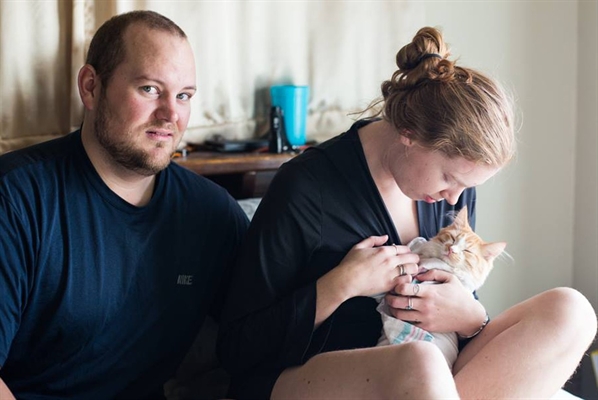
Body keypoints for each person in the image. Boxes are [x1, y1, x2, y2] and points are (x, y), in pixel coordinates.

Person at [218, 26, 597, 399]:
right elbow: (237, 349)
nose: (454, 201)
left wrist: (471, 319)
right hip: (306, 374)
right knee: (421, 362)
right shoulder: (307, 187)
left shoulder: (449, 197)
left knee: (572, 312)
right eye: (449, 177)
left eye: (468, 187)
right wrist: (340, 284)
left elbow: (453, 313)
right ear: (409, 134)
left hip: (429, 375)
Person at [0, 10, 248, 400]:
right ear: (91, 87)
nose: (171, 115)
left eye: (183, 96)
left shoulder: (211, 214)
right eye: (150, 89)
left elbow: (264, 328)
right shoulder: (16, 198)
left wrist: (346, 285)